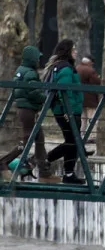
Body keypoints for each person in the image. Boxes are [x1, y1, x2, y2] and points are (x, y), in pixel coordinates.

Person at [41, 40, 85, 184]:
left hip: (66, 110)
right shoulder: (65, 68)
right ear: (67, 51)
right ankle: (45, 159)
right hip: (67, 111)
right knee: (73, 141)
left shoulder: (60, 66)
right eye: (74, 49)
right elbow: (63, 91)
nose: (76, 52)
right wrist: (68, 110)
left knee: (72, 141)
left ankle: (69, 173)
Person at [4, 47, 47, 179]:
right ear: (32, 58)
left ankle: (44, 170)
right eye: (37, 58)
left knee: (39, 139)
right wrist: (46, 98)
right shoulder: (30, 73)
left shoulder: (20, 71)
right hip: (29, 110)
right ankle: (3, 162)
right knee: (26, 141)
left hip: (23, 109)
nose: (39, 60)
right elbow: (33, 92)